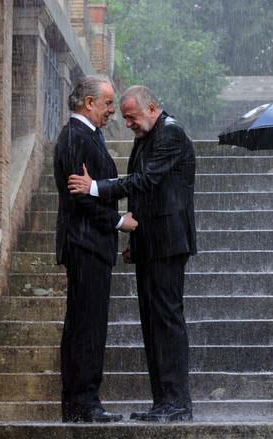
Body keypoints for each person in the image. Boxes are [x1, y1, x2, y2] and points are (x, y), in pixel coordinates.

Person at [67, 85, 197, 422]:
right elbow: (145, 196)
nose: (127, 124)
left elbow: (145, 181)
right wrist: (134, 243)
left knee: (167, 320)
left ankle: (177, 403)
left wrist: (95, 187)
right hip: (151, 243)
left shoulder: (171, 133)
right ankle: (163, 402)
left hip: (169, 243)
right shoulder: (147, 135)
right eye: (124, 118)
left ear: (152, 108)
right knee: (152, 323)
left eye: (131, 117)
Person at [54, 75, 136, 423]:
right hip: (85, 243)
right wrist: (118, 221)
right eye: (107, 103)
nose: (111, 111)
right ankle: (83, 403)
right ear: (88, 103)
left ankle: (80, 402)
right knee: (86, 326)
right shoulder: (76, 136)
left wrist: (103, 188)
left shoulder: (88, 136)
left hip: (90, 245)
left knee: (87, 323)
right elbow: (80, 197)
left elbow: (92, 189)